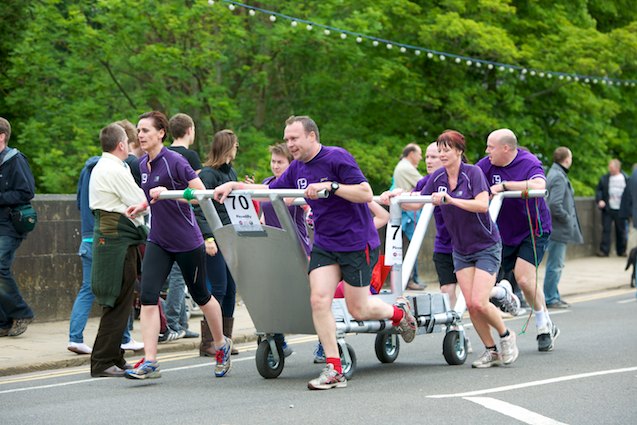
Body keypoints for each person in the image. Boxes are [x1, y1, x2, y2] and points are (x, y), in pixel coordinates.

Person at [213, 115, 417, 390]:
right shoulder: (297, 168)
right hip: (325, 243)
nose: (290, 144)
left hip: (356, 242)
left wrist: (331, 187)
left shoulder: (337, 158)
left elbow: (365, 193)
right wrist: (236, 186)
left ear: (311, 136)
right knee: (319, 300)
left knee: (360, 308)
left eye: (294, 138)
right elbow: (271, 191)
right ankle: (334, 368)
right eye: (287, 139)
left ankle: (399, 314)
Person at [386, 131, 518, 368]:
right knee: (470, 303)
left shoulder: (473, 173)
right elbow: (417, 202)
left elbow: (481, 204)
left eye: (447, 149)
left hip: (486, 245)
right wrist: (395, 198)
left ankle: (506, 336)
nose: (442, 154)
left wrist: (451, 200)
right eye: (440, 149)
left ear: (458, 151)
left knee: (478, 301)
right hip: (461, 249)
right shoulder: (437, 177)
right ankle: (491, 350)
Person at [124, 111, 232, 379]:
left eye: (146, 130)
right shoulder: (141, 165)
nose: (140, 135)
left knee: (202, 296)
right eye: (139, 130)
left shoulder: (175, 161)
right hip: (158, 239)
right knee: (148, 298)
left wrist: (172, 194)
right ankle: (150, 361)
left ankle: (221, 345)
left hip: (186, 241)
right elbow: (153, 198)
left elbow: (199, 196)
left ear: (161, 133)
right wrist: (143, 205)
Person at [476, 128, 559, 352]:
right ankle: (507, 295)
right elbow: (469, 181)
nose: (486, 151)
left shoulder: (528, 162)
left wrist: (504, 186)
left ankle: (543, 325)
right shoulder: (486, 165)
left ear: (506, 148)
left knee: (524, 278)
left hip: (533, 230)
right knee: (488, 282)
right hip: (502, 232)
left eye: (490, 147)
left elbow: (539, 185)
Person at [68, 153, 144, 355]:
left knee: (89, 289)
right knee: (119, 290)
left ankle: (75, 337)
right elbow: (137, 201)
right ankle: (124, 338)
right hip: (108, 238)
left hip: (88, 235)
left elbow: (78, 203)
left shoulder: (88, 170)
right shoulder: (113, 170)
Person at [89, 123, 148, 377]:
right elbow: (139, 202)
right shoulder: (113, 168)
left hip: (117, 239)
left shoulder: (105, 166)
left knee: (122, 300)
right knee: (116, 299)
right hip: (117, 242)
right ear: (122, 145)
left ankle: (116, 356)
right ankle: (102, 361)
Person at [261, 143, 312, 359]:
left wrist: (305, 204)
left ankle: (325, 340)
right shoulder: (266, 184)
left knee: (309, 296)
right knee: (273, 295)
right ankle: (278, 341)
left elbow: (310, 207)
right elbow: (264, 216)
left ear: (290, 164)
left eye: (280, 162)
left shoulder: (296, 184)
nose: (275, 166)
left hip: (297, 244)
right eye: (273, 161)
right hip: (274, 246)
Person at [194, 129, 242, 357]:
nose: (237, 148)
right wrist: (207, 237)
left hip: (231, 237)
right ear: (227, 147)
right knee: (219, 288)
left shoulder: (230, 173)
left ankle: (226, 340)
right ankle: (209, 342)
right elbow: (199, 208)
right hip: (215, 238)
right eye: (235, 145)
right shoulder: (208, 175)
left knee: (231, 290)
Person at [158, 113, 204, 342]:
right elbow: (196, 191)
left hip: (162, 221)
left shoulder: (162, 154)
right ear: (189, 130)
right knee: (180, 277)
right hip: (184, 220)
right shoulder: (190, 156)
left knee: (175, 277)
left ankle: (182, 322)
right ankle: (174, 321)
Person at [0, 117, 36, 337]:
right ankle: (4, 322)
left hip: (10, 225)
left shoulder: (15, 160)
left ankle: (22, 312)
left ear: (1, 136)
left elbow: (26, 192)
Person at [543, 147, 583, 309]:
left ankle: (554, 295)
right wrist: (568, 219)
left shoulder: (554, 173)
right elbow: (554, 204)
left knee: (556, 264)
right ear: (566, 160)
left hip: (555, 228)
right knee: (555, 265)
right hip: (558, 229)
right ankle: (551, 297)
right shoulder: (558, 177)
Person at [392, 143, 425, 290]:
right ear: (411, 154)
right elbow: (425, 184)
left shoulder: (401, 166)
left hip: (406, 212)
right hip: (410, 213)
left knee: (406, 246)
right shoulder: (406, 167)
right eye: (419, 154)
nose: (421, 157)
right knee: (411, 246)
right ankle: (411, 279)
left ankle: (410, 279)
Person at [595, 159, 628, 257]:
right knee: (606, 229)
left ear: (617, 168)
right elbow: (599, 191)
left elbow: (629, 193)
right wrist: (600, 200)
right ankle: (604, 251)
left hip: (621, 209)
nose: (610, 170)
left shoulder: (625, 178)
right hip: (608, 208)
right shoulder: (604, 178)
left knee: (621, 230)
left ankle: (621, 251)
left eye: (612, 168)